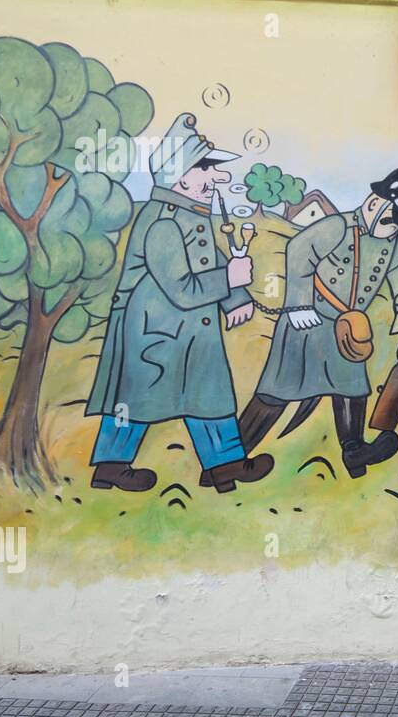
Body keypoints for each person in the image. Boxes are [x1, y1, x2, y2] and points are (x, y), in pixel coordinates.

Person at [85, 112, 273, 493]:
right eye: (206, 167)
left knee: (208, 393)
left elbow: (213, 260)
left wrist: (236, 296)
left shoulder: (189, 214)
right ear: (181, 175)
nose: (215, 176)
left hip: (190, 331)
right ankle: (110, 468)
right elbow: (182, 287)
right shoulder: (164, 222)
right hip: (153, 332)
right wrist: (230, 281)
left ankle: (225, 466)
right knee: (136, 400)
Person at [238, 167, 398, 478]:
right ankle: (232, 455)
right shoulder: (337, 226)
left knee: (352, 390)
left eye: (397, 223)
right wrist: (299, 303)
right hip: (308, 323)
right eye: (388, 220)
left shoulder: (396, 240)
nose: (391, 229)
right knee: (277, 391)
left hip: (347, 330)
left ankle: (354, 452)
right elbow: (299, 249)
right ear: (373, 204)